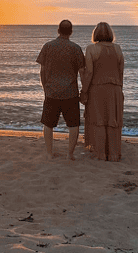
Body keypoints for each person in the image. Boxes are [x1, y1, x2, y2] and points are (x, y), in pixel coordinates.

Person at [36, 19, 86, 159]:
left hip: (52, 91)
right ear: (71, 32)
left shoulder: (48, 46)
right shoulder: (75, 48)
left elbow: (42, 71)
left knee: (48, 124)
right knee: (73, 124)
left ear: (58, 30)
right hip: (70, 93)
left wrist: (45, 87)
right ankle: (70, 154)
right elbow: (82, 71)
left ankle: (49, 153)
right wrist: (84, 90)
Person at [80, 21, 124, 161]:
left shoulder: (91, 49)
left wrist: (84, 91)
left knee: (98, 121)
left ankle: (100, 153)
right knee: (113, 121)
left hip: (97, 89)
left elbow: (89, 73)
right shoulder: (118, 49)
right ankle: (113, 154)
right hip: (115, 89)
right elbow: (121, 72)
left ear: (95, 34)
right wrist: (120, 90)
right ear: (111, 34)